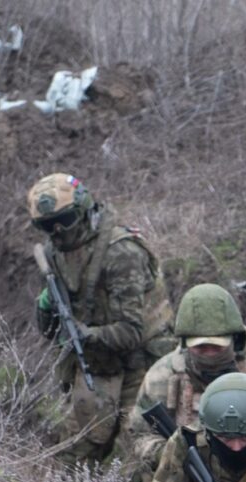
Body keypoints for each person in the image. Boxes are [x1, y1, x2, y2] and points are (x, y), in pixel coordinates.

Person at [27, 172, 176, 463]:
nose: (57, 231)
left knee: (134, 459)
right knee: (72, 457)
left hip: (142, 364)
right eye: (46, 226)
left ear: (83, 212)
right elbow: (49, 332)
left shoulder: (121, 253)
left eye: (65, 220)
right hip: (98, 365)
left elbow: (132, 331)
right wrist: (46, 303)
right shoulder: (54, 255)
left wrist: (86, 335)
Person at [123, 282, 246, 476]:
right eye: (201, 347)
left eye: (217, 346)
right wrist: (171, 453)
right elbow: (138, 437)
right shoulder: (161, 377)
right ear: (185, 342)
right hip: (183, 479)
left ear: (234, 339)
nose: (209, 354)